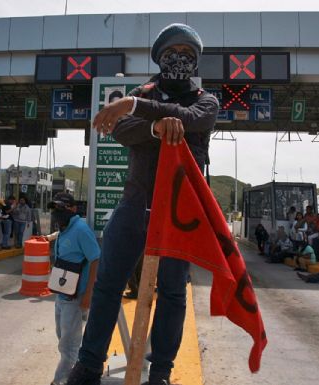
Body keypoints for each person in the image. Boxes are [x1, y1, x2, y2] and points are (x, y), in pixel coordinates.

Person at [65, 23, 219, 385]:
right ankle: (88, 365)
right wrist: (155, 126)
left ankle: (161, 372)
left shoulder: (205, 99)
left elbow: (197, 121)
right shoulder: (143, 89)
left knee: (171, 292)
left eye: (187, 54)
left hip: (180, 214)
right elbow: (120, 129)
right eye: (172, 53)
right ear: (159, 57)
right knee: (107, 284)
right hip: (135, 206)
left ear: (195, 61)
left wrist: (136, 106)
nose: (179, 59)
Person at [45, 193, 100, 385]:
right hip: (62, 295)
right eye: (55, 208)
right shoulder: (65, 228)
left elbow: (95, 259)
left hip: (76, 297)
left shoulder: (81, 230)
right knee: (63, 339)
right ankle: (76, 372)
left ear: (73, 209)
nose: (57, 212)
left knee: (69, 345)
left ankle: (62, 380)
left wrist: (88, 295)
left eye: (62, 208)